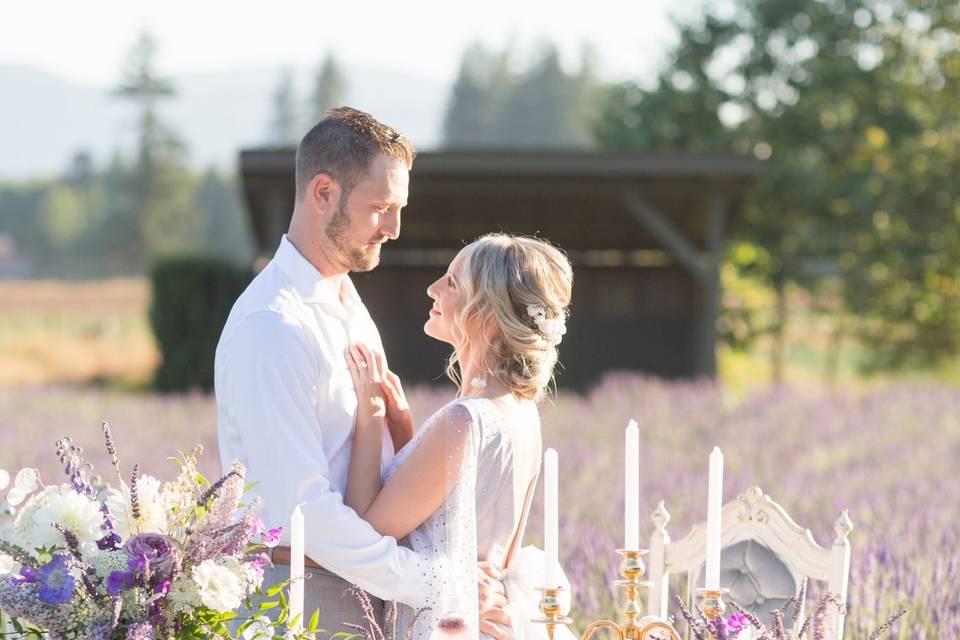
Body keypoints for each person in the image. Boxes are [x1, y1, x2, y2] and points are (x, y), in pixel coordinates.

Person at [215, 107, 510, 637]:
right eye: (379, 208)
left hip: (368, 598)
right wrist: (438, 581)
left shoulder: (348, 303)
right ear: (323, 193)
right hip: (297, 605)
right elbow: (303, 514)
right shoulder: (272, 327)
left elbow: (373, 473)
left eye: (398, 209)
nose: (394, 229)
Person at [343, 233, 576, 639]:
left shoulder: (465, 421)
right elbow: (450, 516)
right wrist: (404, 434)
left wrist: (369, 418)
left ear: (485, 319)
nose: (432, 289)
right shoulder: (519, 412)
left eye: (451, 282)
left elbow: (366, 534)